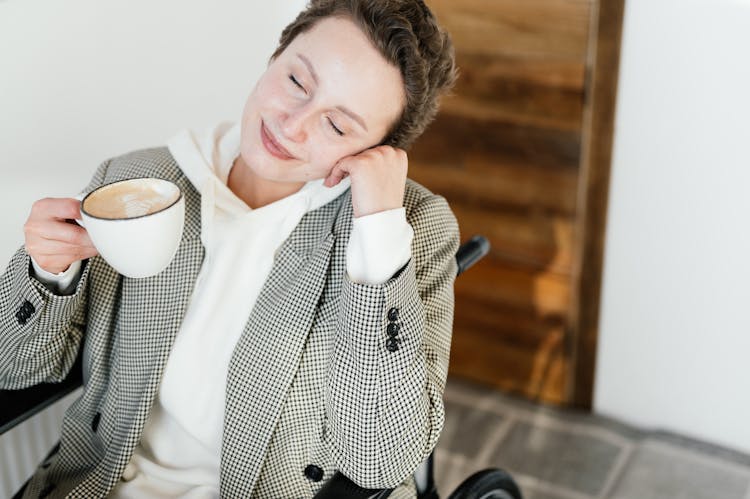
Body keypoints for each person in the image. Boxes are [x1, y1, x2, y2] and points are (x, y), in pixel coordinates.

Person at [0, 0, 458, 497]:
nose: (293, 124)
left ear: (377, 153)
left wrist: (378, 233)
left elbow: (380, 459)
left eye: (338, 126)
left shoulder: (408, 228)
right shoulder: (134, 183)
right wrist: (47, 272)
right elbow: (14, 368)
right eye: (297, 82)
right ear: (274, 57)